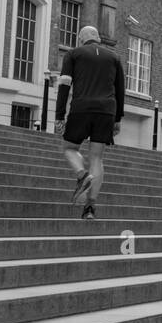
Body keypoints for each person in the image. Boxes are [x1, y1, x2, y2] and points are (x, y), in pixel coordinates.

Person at [54, 25, 125, 219]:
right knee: (97, 158)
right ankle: (90, 208)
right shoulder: (114, 58)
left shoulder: (73, 54)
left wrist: (59, 115)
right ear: (97, 39)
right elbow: (120, 90)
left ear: (81, 39)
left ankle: (82, 175)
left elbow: (65, 84)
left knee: (69, 148)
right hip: (106, 111)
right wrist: (118, 118)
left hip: (81, 108)